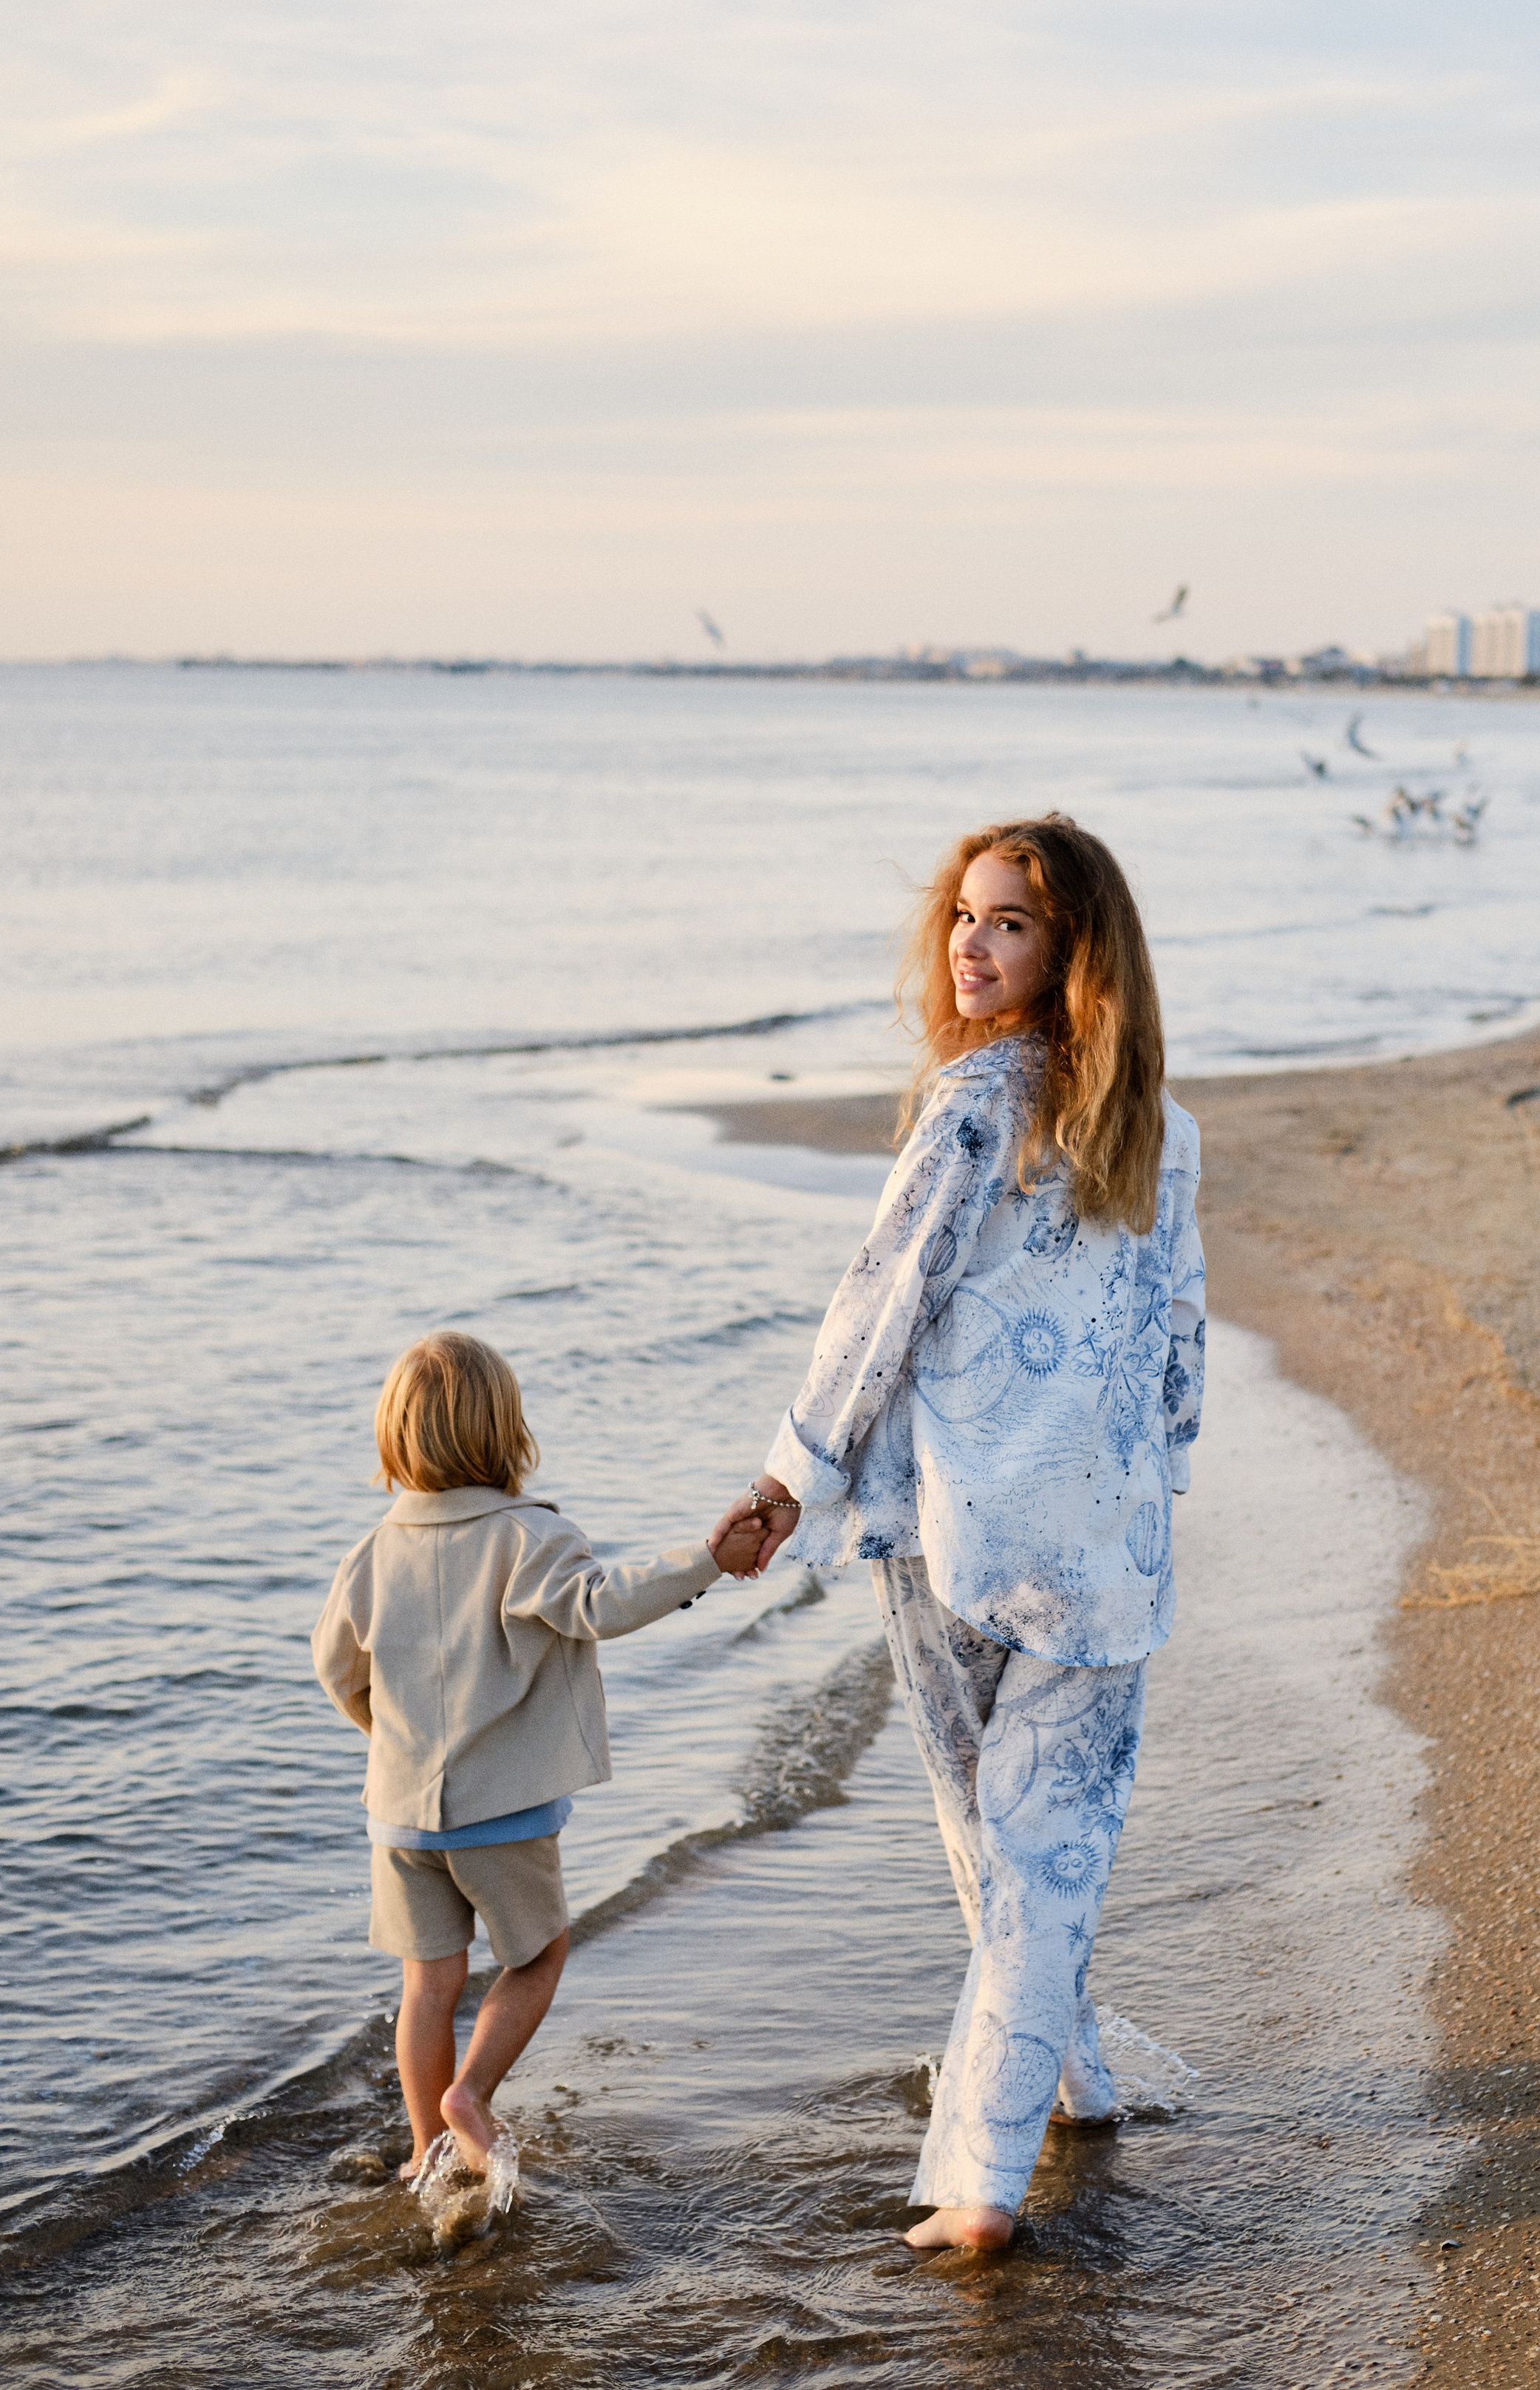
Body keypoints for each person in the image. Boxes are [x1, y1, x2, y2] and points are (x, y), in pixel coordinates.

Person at [730, 814, 1205, 2253]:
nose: (970, 943)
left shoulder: (971, 1110)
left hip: (960, 1540)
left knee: (998, 1853)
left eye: (1007, 922)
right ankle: (1072, 2083)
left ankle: (980, 2186)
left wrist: (786, 1481)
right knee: (1044, 1853)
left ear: (1069, 954)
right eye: (965, 916)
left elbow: (879, 1305)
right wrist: (1155, 1481)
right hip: (1104, 1550)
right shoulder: (1162, 1135)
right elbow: (1178, 1349)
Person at [313, 1330, 765, 2181]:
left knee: (427, 1985)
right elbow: (603, 1604)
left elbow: (338, 1671)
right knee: (537, 1955)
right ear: (502, 1431)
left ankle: (424, 2153)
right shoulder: (526, 1538)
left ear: (394, 1437)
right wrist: (706, 1559)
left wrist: (391, 1743)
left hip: (400, 1815)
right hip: (502, 1815)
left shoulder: (368, 1555)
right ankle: (471, 2096)